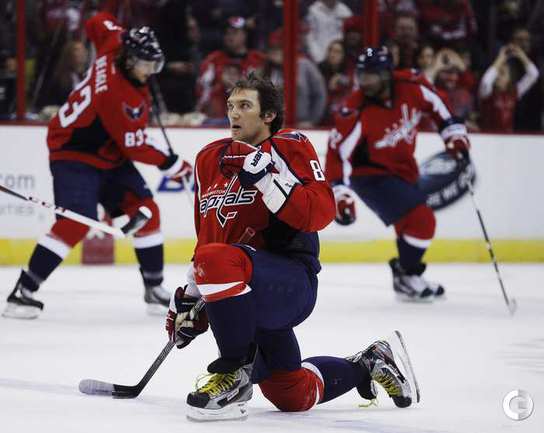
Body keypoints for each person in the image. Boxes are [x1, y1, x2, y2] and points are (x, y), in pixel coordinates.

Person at [164, 73, 419, 421]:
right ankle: (369, 363)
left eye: (245, 106)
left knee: (215, 260)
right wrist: (192, 297)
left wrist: (267, 181)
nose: (233, 114)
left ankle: (234, 374)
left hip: (288, 282)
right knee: (290, 393)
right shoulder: (209, 158)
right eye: (230, 106)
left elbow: (320, 213)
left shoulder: (289, 146)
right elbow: (208, 235)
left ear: (268, 115)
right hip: (240, 287)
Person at [2, 11, 192, 320]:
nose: (149, 72)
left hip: (108, 151)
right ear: (129, 61)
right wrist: (170, 163)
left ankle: (154, 288)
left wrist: (118, 31)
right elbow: (134, 145)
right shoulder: (118, 95)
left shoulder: (115, 43)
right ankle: (22, 292)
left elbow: (96, 21)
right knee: (75, 221)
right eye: (145, 65)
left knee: (147, 211)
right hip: (74, 152)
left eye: (153, 64)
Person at [325, 47, 471, 302]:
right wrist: (340, 194)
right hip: (370, 176)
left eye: (371, 76)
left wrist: (454, 134)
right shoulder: (355, 110)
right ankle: (406, 275)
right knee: (422, 220)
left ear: (387, 74)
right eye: (362, 76)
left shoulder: (412, 85)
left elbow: (439, 107)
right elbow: (337, 154)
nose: (365, 83)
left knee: (408, 224)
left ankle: (408, 276)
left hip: (404, 168)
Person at [478, 43, 539, 133]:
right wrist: (500, 58)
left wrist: (521, 55)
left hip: (508, 136)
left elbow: (533, 74)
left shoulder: (513, 92)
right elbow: (486, 82)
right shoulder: (487, 93)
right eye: (496, 73)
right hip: (489, 136)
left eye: (502, 73)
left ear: (509, 78)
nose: (498, 76)